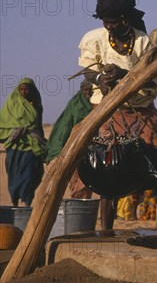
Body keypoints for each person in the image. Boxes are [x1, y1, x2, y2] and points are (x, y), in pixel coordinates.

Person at [78, 0, 157, 232]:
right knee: (104, 164)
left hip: (140, 109)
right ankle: (106, 227)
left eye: (112, 22)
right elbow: (88, 70)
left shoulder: (144, 42)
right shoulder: (95, 38)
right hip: (107, 109)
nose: (109, 27)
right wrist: (100, 78)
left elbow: (153, 78)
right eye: (105, 23)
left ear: (124, 19)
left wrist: (125, 76)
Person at [0, 78, 47, 207]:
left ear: (31, 90)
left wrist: (40, 139)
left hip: (31, 146)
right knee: (14, 176)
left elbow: (38, 127)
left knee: (29, 176)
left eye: (26, 89)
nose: (24, 91)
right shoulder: (11, 105)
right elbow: (3, 124)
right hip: (15, 146)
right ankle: (14, 204)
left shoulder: (37, 106)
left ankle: (26, 204)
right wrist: (16, 131)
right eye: (21, 89)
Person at [45, 80, 94, 199]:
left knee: (89, 178)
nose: (88, 92)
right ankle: (78, 203)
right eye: (85, 90)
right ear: (81, 90)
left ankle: (84, 203)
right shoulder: (75, 104)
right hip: (75, 146)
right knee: (76, 177)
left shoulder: (94, 104)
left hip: (91, 148)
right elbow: (65, 125)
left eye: (90, 90)